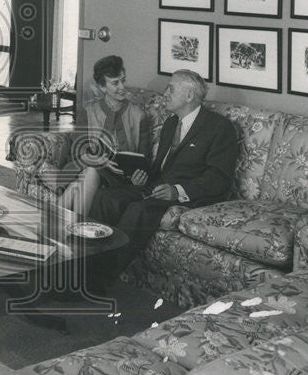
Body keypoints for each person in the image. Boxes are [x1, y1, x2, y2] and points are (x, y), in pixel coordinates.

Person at [87, 68, 238, 268]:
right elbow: (162, 167)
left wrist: (177, 192)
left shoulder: (219, 127)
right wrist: (142, 176)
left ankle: (101, 274)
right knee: (106, 198)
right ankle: (85, 262)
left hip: (189, 195)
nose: (165, 94)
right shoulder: (171, 123)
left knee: (138, 210)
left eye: (170, 89)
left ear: (189, 95)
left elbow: (218, 178)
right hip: (157, 186)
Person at [58, 55, 151, 218]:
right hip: (89, 167)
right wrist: (98, 160)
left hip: (121, 178)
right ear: (102, 87)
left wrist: (140, 175)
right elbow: (79, 150)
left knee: (76, 186)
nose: (122, 87)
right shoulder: (88, 111)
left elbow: (145, 157)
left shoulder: (138, 115)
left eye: (123, 80)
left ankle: (55, 230)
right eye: (115, 83)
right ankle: (78, 233)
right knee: (91, 171)